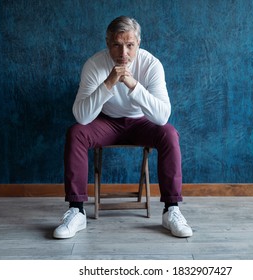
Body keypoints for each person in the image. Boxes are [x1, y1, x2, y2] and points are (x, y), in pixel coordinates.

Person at [53, 16, 192, 239]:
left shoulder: (151, 64)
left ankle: (171, 210)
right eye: (117, 45)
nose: (123, 52)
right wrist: (109, 82)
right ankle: (76, 211)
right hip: (106, 122)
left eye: (130, 45)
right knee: (76, 133)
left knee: (169, 133)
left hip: (142, 122)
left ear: (139, 43)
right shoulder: (94, 64)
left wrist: (133, 84)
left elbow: (162, 116)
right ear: (108, 43)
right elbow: (81, 116)